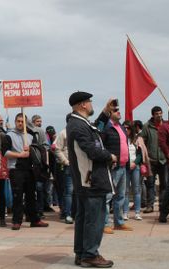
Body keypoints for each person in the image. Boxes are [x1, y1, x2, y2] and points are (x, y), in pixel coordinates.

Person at [67, 91, 115, 268]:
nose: (91, 104)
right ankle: (90, 254)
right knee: (94, 219)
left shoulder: (80, 123)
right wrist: (110, 156)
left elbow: (97, 129)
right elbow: (92, 150)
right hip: (90, 179)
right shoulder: (78, 125)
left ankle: (81, 253)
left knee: (84, 218)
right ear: (82, 105)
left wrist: (105, 112)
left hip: (86, 179)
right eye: (89, 101)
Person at [2, 113, 49, 230]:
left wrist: (32, 149)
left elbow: (38, 152)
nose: (20, 123)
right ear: (15, 121)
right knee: (17, 196)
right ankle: (17, 221)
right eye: (18, 121)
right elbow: (5, 153)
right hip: (16, 169)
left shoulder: (30, 136)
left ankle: (34, 220)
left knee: (31, 196)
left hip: (29, 169)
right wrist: (20, 154)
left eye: (22, 121)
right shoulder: (9, 136)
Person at [96, 98, 133, 233]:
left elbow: (125, 146)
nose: (118, 112)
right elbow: (98, 132)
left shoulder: (122, 127)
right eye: (115, 110)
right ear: (110, 113)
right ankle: (104, 223)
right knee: (107, 197)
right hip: (112, 167)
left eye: (118, 110)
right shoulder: (105, 127)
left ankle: (119, 222)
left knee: (121, 197)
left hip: (123, 167)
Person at [140, 106, 167, 213]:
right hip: (151, 161)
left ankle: (162, 205)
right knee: (150, 184)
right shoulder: (147, 126)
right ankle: (150, 205)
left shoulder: (166, 125)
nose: (159, 115)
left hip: (164, 160)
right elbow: (142, 143)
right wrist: (145, 158)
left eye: (160, 113)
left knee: (164, 184)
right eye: (157, 114)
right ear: (153, 115)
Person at [122, 121, 147, 221]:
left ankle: (137, 212)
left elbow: (140, 154)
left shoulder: (137, 139)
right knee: (126, 191)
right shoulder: (122, 139)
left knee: (137, 190)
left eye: (128, 128)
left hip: (135, 166)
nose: (126, 130)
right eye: (124, 128)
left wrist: (135, 163)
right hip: (125, 166)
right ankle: (125, 212)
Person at [54, 126, 74, 224]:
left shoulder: (82, 131)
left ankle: (76, 213)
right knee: (69, 191)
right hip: (69, 166)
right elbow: (57, 149)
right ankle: (68, 214)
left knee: (79, 191)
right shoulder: (63, 133)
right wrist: (66, 161)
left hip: (81, 166)